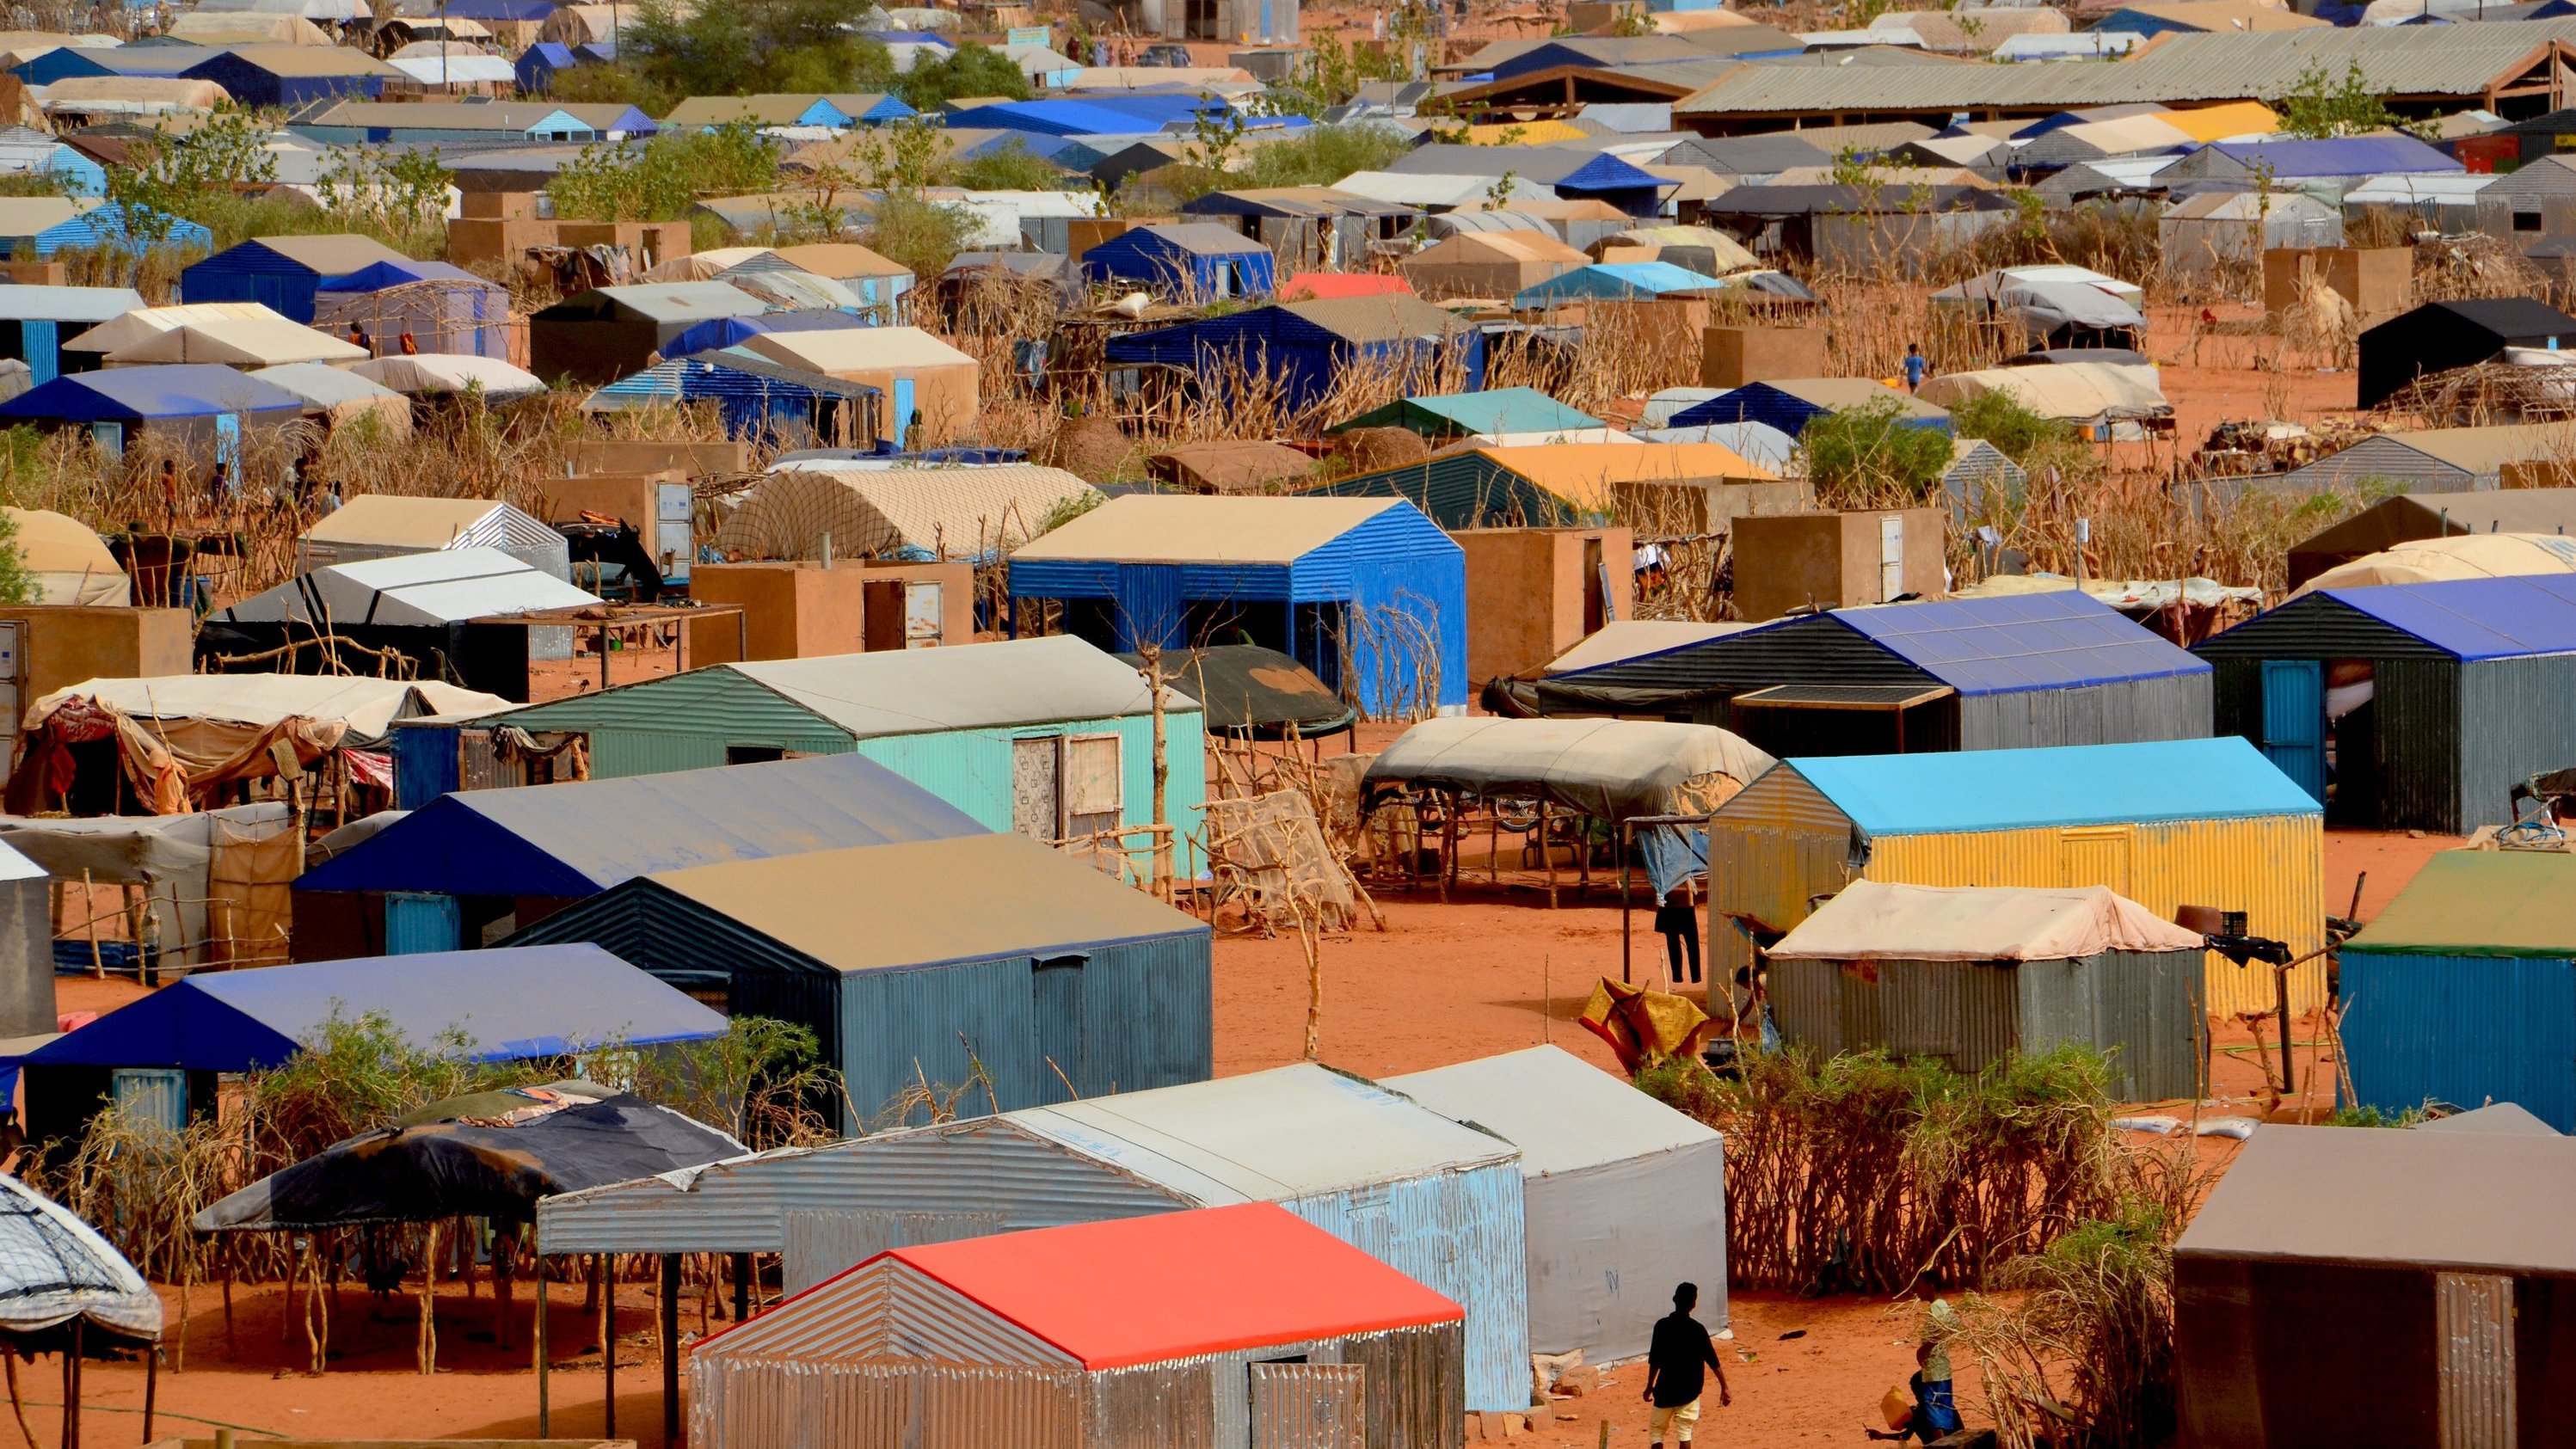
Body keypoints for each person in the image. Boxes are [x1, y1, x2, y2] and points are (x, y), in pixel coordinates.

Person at [1645, 1282, 1731, 1449]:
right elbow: (1713, 1361)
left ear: (1674, 1300)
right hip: (1690, 1390)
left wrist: (1649, 1386)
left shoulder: (1661, 1326)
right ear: (1693, 1304)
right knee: (1684, 1431)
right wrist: (1724, 1387)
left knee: (1657, 1432)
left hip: (1665, 1389)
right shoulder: (1698, 1329)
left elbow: (1654, 1360)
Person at [1657, 883, 1701, 985]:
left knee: (1677, 944)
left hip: (1674, 905)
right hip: (1678, 904)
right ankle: (1693, 976)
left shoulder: (1664, 870)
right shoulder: (1685, 869)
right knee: (1689, 944)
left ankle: (1682, 976)